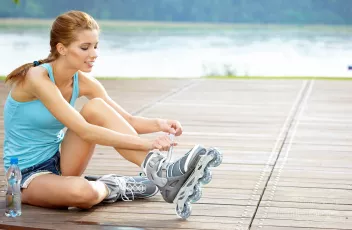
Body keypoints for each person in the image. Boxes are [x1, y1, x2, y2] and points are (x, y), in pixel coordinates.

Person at [3, 10, 214, 210]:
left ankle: (160, 171)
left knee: (96, 107)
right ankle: (117, 185)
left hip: (62, 161)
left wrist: (159, 124)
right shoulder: (36, 77)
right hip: (25, 176)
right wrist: (148, 143)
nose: (94, 54)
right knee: (83, 194)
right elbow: (85, 131)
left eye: (96, 46)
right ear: (61, 48)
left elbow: (126, 121)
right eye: (85, 48)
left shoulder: (84, 82)